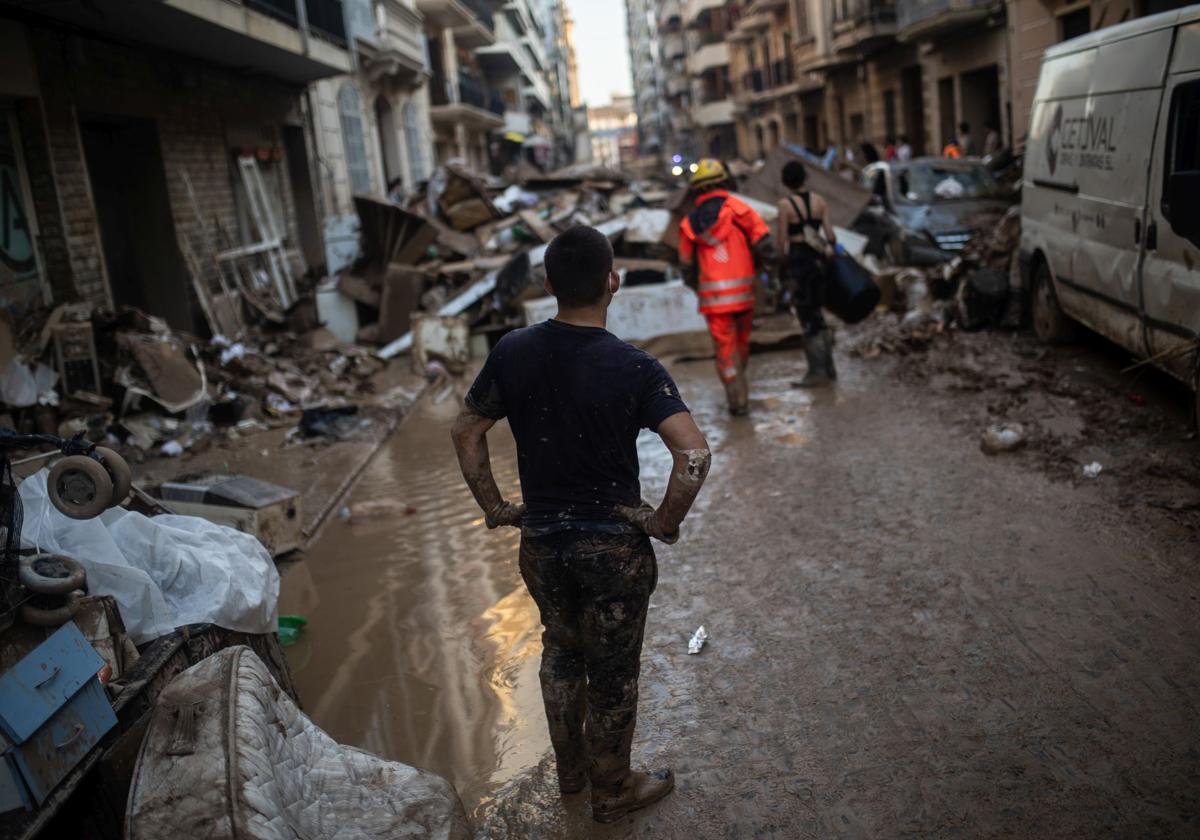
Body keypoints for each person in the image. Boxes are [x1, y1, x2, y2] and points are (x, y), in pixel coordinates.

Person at [451, 225, 711, 824]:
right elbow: (694, 455)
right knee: (613, 673)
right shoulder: (635, 367)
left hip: (542, 544)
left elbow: (467, 429)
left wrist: (495, 507)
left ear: (547, 286)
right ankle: (613, 789)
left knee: (562, 655)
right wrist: (662, 521)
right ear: (612, 282)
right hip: (611, 550)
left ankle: (571, 775)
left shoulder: (512, 350)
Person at [678, 159, 774, 416]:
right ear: (724, 181)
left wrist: (698, 288)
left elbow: (685, 265)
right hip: (744, 297)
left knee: (724, 349)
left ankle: (736, 401)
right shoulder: (738, 208)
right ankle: (741, 390)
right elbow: (766, 244)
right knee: (741, 345)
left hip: (713, 300)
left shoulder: (689, 224)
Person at [777, 160, 838, 387]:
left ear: (786, 181)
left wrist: (780, 269)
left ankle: (816, 371)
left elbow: (781, 242)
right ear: (805, 178)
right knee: (819, 313)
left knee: (806, 315)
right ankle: (830, 369)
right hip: (819, 262)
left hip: (799, 263)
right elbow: (830, 236)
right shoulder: (820, 201)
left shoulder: (786, 205)